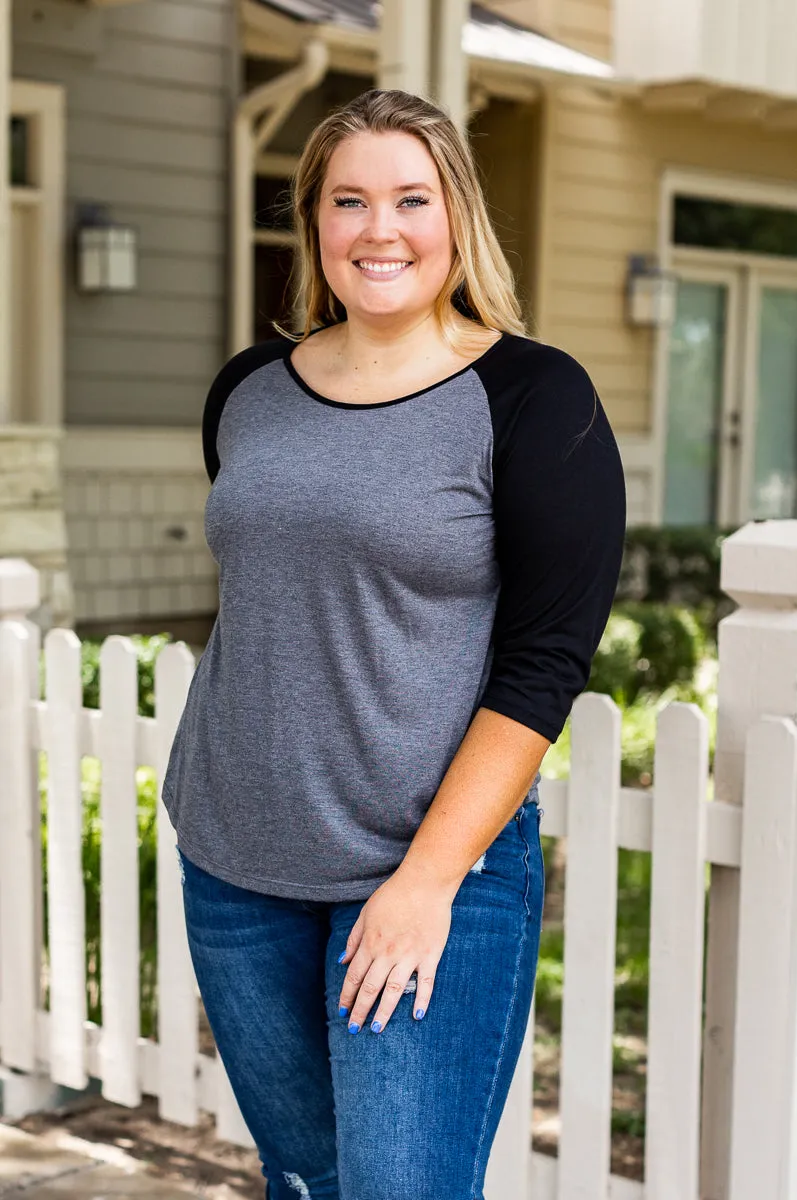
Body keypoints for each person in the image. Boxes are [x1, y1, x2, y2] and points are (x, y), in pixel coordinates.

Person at [162, 87, 626, 1200]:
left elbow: (543, 661)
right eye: (349, 200)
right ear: (314, 223)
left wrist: (425, 882)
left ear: (455, 217)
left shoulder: (531, 397)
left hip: (429, 874)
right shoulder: (248, 392)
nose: (380, 229)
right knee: (306, 1180)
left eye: (410, 199)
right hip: (236, 864)